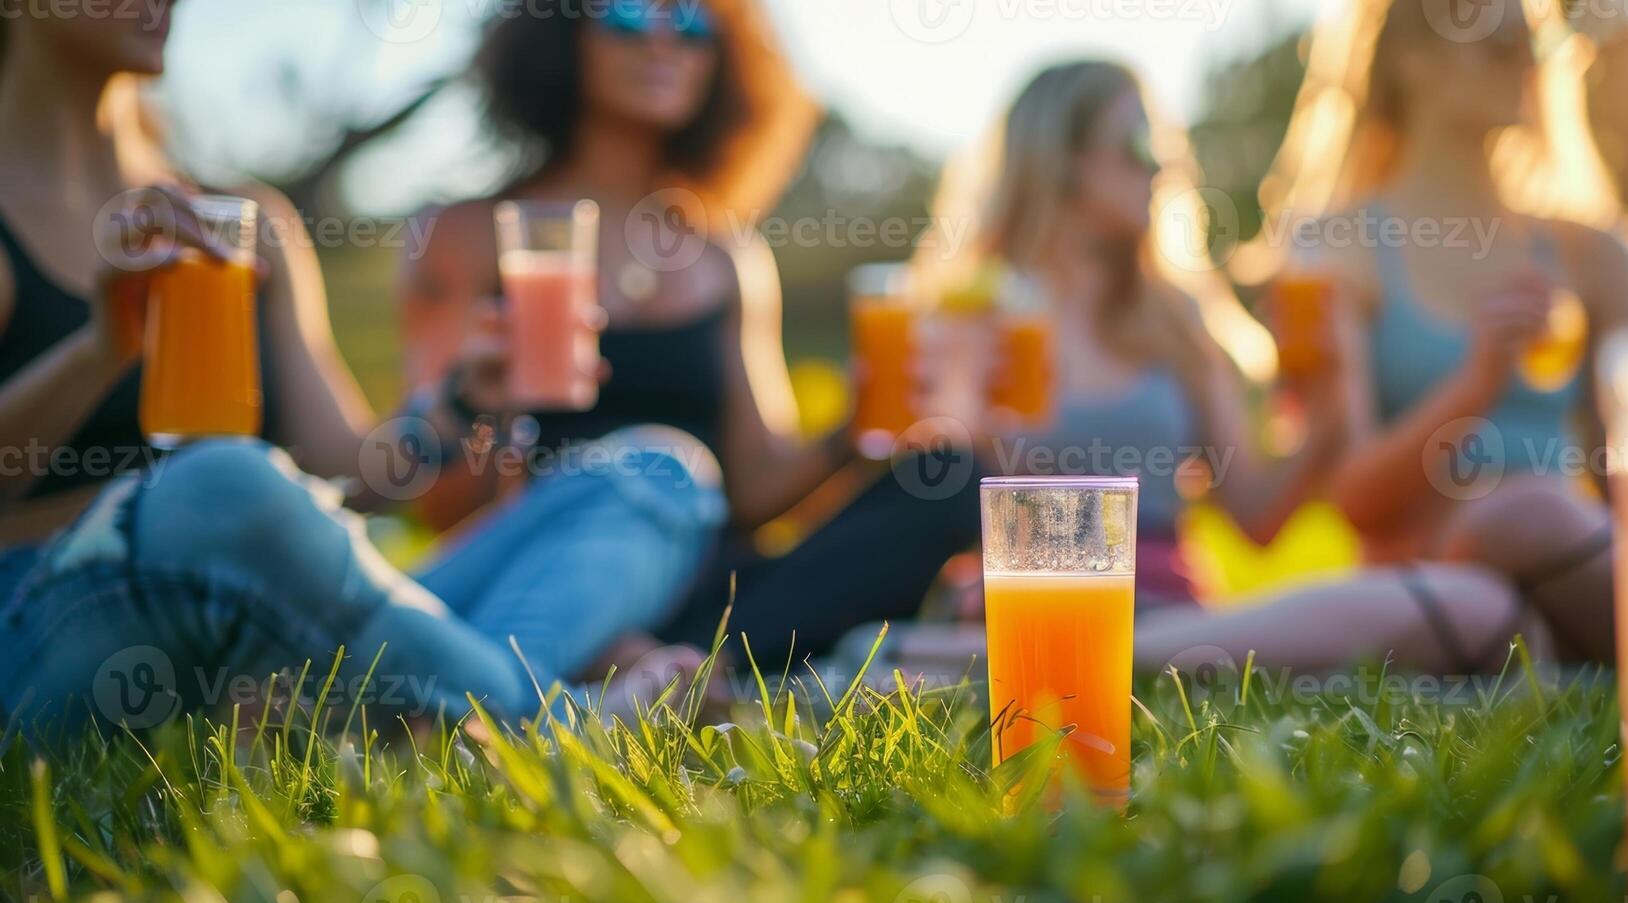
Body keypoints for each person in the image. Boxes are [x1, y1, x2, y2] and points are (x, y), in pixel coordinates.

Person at [0, 4, 722, 734]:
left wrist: (459, 404)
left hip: (279, 618)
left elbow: (350, 477)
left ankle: (444, 713)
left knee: (660, 471)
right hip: (47, 619)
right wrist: (98, 353)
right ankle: (546, 724)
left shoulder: (241, 221)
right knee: (222, 480)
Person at [877, 60, 1540, 677]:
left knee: (1464, 608)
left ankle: (1000, 661)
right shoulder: (973, 314)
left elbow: (1256, 517)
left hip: (1167, 610)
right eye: (1139, 149)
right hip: (1022, 589)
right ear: (1064, 163)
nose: (1162, 171)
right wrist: (959, 417)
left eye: (1167, 152)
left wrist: (1332, 413)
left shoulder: (1176, 318)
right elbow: (921, 493)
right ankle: (1038, 649)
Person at [403, 0, 981, 668]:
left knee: (950, 477)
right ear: (560, 36)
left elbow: (750, 492)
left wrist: (856, 426)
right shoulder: (470, 235)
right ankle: (715, 665)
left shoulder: (722, 254)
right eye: (625, 15)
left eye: (691, 24)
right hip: (553, 576)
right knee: (651, 473)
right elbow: (438, 509)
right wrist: (483, 412)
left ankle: (683, 666)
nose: (661, 42)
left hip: (708, 586)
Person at [1240, 0, 1628, 663]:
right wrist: (1477, 380)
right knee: (1523, 515)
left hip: (1564, 587)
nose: (1522, 65)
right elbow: (1354, 497)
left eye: (1533, 48)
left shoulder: (1596, 254)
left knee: (1538, 518)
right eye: (1496, 48)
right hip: (1427, 588)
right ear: (1413, 63)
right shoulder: (1335, 248)